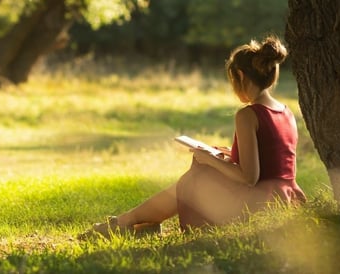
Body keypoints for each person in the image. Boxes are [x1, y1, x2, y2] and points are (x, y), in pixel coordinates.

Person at [79, 35, 306, 239]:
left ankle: (126, 222)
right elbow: (271, 159)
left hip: (259, 204)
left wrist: (210, 160)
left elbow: (249, 177)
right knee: (203, 170)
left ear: (240, 75)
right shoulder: (285, 111)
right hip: (287, 198)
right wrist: (227, 154)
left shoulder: (248, 115)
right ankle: (138, 222)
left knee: (198, 176)